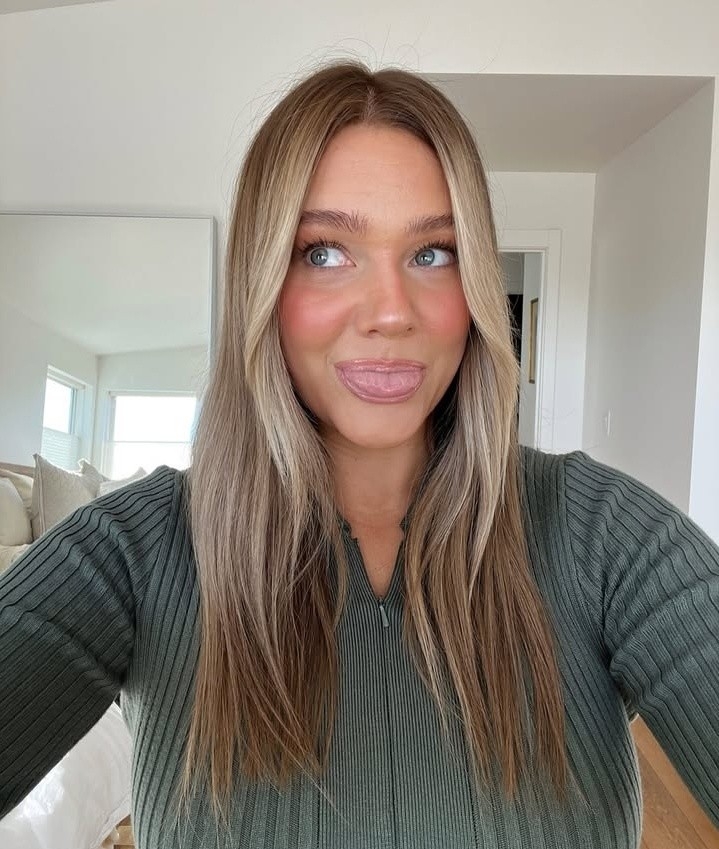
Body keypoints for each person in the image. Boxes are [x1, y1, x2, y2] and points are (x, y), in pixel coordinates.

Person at [1, 61, 718, 849]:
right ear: (261, 283)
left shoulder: (609, 537)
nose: (390, 312)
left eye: (432, 252)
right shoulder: (130, 553)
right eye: (324, 252)